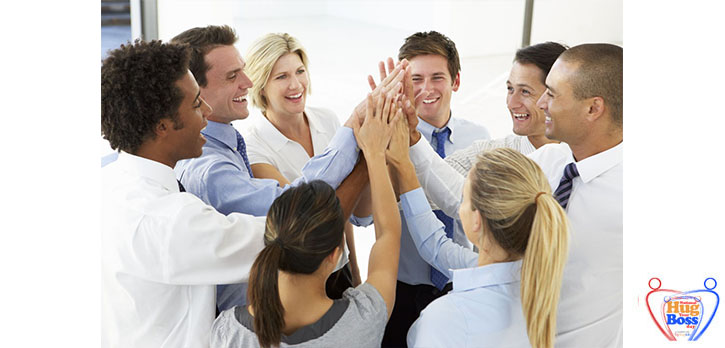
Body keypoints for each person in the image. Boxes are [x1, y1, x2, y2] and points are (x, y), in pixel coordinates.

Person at [406, 43, 623, 347]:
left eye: (552, 94)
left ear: (593, 108)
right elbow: (469, 200)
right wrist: (414, 139)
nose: (542, 103)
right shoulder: (549, 160)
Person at [170, 25, 381, 311]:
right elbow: (297, 213)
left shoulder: (232, 143)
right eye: (233, 76)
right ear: (196, 88)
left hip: (329, 273)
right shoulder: (215, 165)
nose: (248, 82)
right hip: (284, 298)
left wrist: (355, 272)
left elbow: (353, 218)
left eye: (299, 71)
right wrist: (365, 151)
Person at [101, 40, 267, 347]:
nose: (206, 111)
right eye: (195, 104)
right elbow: (290, 237)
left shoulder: (105, 182)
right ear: (163, 126)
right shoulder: (171, 221)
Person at [211, 91, 404, 348]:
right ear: (334, 256)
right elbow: (388, 235)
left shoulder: (228, 331)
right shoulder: (363, 319)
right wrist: (375, 154)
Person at [368, 30, 492, 347]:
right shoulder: (384, 136)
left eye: (437, 77)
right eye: (416, 79)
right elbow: (362, 218)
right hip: (402, 287)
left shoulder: (479, 138)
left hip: (463, 281)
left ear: (456, 81)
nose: (426, 89)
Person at [398, 146, 569, 348]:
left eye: (464, 198)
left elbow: (436, 247)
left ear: (476, 219)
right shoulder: (550, 295)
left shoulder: (446, 320)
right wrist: (405, 169)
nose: (461, 206)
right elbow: (437, 248)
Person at [242, 32, 369, 293]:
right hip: (298, 283)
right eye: (281, 77)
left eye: (300, 71)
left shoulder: (328, 121)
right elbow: (305, 219)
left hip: (338, 268)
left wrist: (355, 271)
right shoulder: (255, 148)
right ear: (260, 86)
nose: (296, 84)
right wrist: (366, 162)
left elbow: (348, 215)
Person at [445, 42, 567, 175]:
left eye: (525, 91)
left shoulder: (581, 160)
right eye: (510, 89)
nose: (511, 104)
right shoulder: (489, 157)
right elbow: (434, 175)